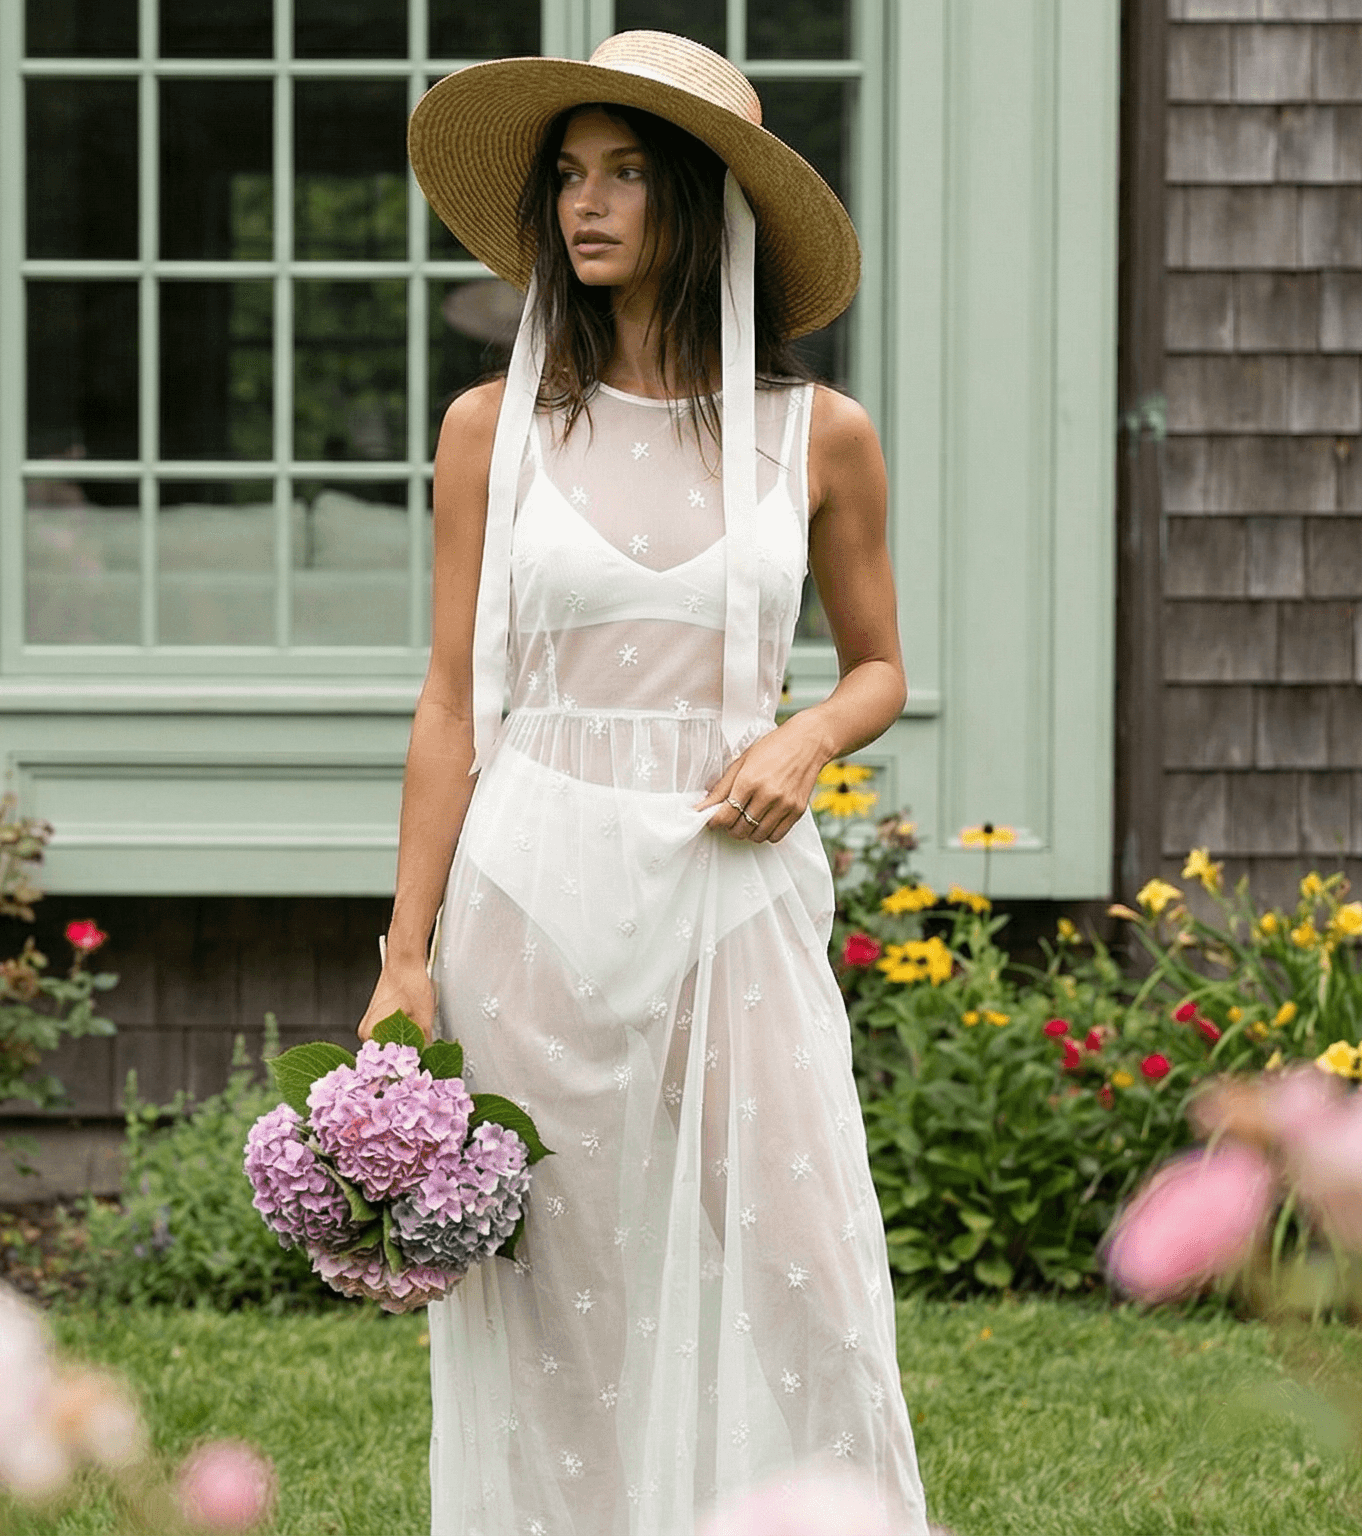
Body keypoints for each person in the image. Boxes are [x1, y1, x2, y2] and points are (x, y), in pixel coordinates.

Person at [376, 29, 927, 1536]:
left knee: (805, 1262)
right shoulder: (494, 429)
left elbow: (878, 666)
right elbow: (448, 700)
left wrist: (804, 738)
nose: (586, 207)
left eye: (626, 174)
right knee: (562, 1286)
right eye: (569, 176)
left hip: (728, 889)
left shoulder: (821, 437)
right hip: (531, 886)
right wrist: (406, 957)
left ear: (705, 201)